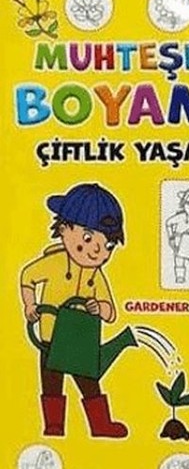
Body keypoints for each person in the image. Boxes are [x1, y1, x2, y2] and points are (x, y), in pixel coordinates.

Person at [20, 183, 128, 438]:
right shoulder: (54, 262)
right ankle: (53, 425)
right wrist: (30, 305)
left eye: (108, 245)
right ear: (63, 229)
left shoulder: (96, 275)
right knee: (51, 384)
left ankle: (100, 425)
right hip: (49, 340)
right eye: (88, 239)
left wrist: (98, 307)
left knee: (90, 385)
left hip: (80, 344)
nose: (98, 251)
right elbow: (27, 277)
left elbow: (110, 313)